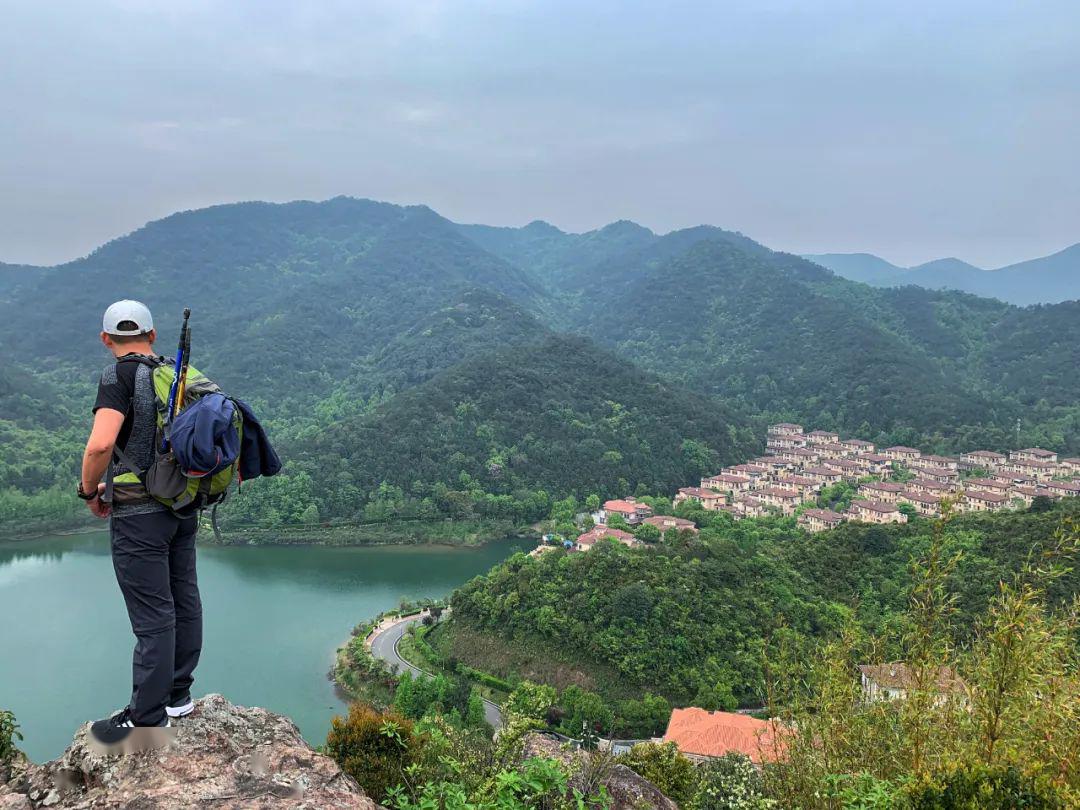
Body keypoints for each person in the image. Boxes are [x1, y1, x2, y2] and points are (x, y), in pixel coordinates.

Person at [80, 300, 201, 744]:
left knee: (153, 613)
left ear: (105, 339)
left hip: (138, 514)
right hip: (182, 506)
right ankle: (178, 696)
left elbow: (100, 446)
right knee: (183, 597)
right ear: (152, 335)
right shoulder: (174, 372)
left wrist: (88, 491)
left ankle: (148, 716)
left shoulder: (118, 375)